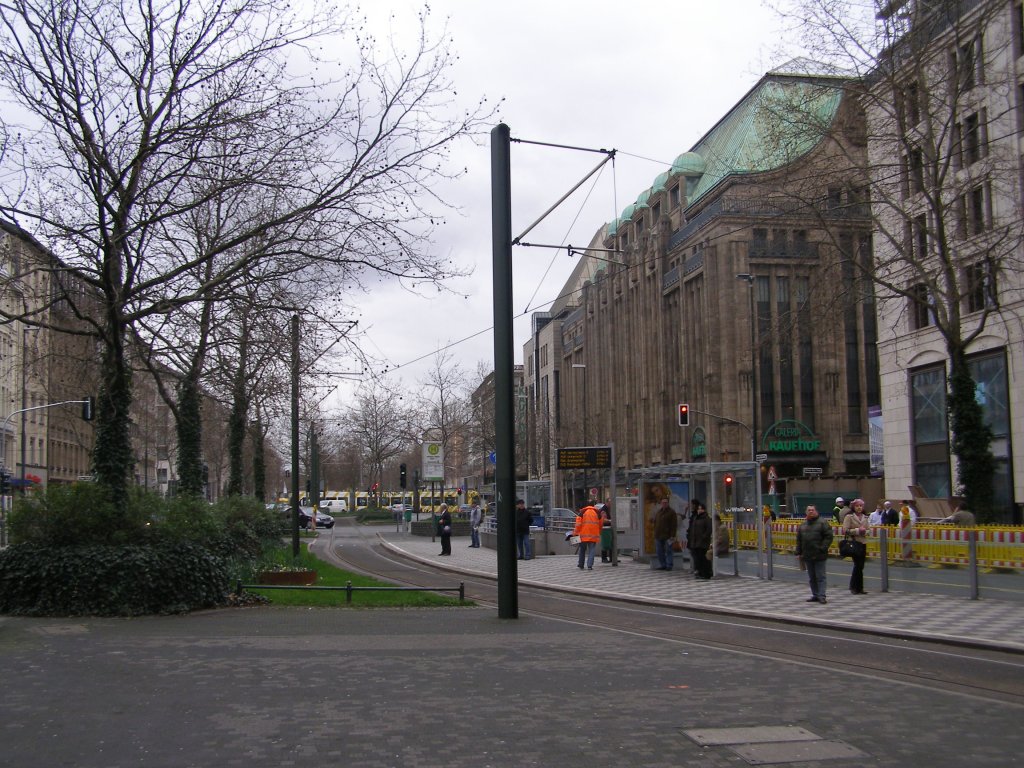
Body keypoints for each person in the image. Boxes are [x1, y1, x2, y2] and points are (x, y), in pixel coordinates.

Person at [795, 504, 834, 603]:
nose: (811, 511)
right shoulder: (803, 525)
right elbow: (799, 540)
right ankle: (815, 594)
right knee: (812, 577)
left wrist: (823, 547)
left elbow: (829, 536)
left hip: (819, 554)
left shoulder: (822, 523)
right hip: (807, 554)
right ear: (806, 512)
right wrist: (798, 552)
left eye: (812, 510)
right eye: (809, 510)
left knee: (820, 576)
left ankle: (822, 595)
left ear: (816, 511)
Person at [842, 498, 870, 594]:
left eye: (861, 506)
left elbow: (869, 530)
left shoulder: (865, 517)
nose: (859, 508)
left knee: (861, 566)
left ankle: (859, 587)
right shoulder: (849, 516)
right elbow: (845, 530)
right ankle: (854, 587)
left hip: (863, 543)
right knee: (857, 565)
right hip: (854, 543)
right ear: (853, 507)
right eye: (857, 506)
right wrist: (857, 530)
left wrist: (865, 531)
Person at [688, 501, 712, 579]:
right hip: (695, 542)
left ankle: (706, 573)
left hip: (702, 543)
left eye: (701, 509)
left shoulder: (707, 518)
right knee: (697, 559)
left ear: (704, 510)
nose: (699, 510)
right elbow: (692, 529)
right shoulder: (695, 518)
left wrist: (703, 537)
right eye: (698, 509)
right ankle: (699, 572)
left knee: (703, 558)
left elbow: (708, 530)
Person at [652, 497, 678, 570]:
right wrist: (655, 532)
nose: (664, 504)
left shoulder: (672, 512)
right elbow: (655, 523)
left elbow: (674, 525)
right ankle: (663, 564)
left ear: (668, 503)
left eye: (666, 502)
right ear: (661, 503)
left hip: (668, 536)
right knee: (659, 551)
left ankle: (669, 565)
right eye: (663, 502)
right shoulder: (659, 512)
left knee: (669, 550)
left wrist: (672, 535)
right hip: (658, 535)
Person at [574, 503, 601, 570]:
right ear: (593, 506)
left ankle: (581, 564)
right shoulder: (597, 513)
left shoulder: (582, 512)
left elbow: (578, 524)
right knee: (592, 549)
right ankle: (589, 565)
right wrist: (599, 532)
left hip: (583, 535)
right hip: (593, 535)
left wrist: (575, 533)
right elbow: (600, 524)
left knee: (582, 549)